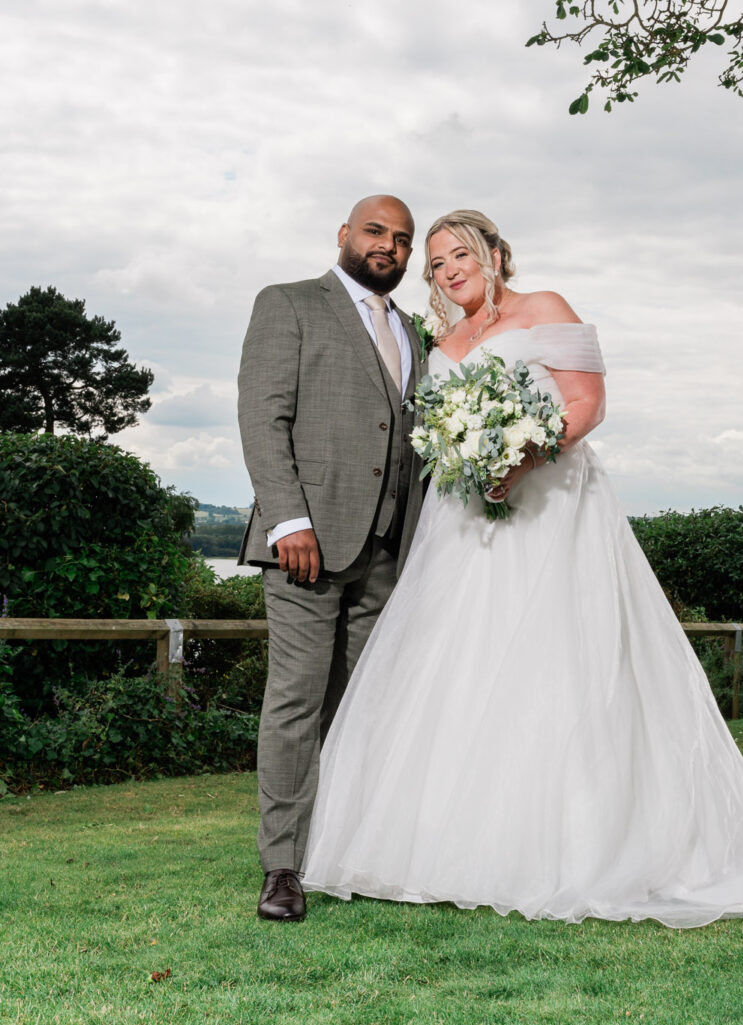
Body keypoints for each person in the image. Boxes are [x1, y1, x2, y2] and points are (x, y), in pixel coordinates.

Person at [300, 210, 743, 929]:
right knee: (458, 666)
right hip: (463, 523)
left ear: (494, 254)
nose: (447, 270)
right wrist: (471, 459)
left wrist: (522, 455)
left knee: (557, 662)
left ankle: (574, 844)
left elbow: (588, 403)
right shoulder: (439, 340)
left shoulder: (546, 309)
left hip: (551, 512)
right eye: (435, 263)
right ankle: (440, 844)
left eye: (458, 254)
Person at [236, 195, 426, 921]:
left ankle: (345, 851)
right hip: (305, 546)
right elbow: (263, 416)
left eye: (403, 240)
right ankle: (281, 866)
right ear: (344, 235)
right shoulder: (288, 304)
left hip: (386, 552)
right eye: (377, 232)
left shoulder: (412, 331)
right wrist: (289, 519)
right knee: (296, 702)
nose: (390, 247)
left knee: (364, 709)